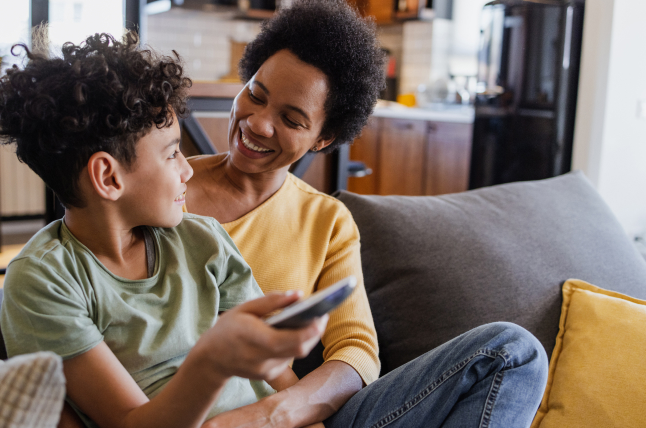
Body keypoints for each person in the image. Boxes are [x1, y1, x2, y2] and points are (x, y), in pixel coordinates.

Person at [184, 1, 549, 427]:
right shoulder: (160, 185)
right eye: (255, 95)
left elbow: (356, 351)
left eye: (292, 119)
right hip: (183, 404)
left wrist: (277, 413)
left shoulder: (326, 221)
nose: (258, 124)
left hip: (290, 413)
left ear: (325, 138)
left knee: (511, 351)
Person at [0, 32, 328, 428]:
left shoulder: (205, 240)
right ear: (108, 178)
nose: (188, 169)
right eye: (171, 153)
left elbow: (279, 378)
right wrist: (213, 358)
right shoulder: (46, 280)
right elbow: (131, 422)